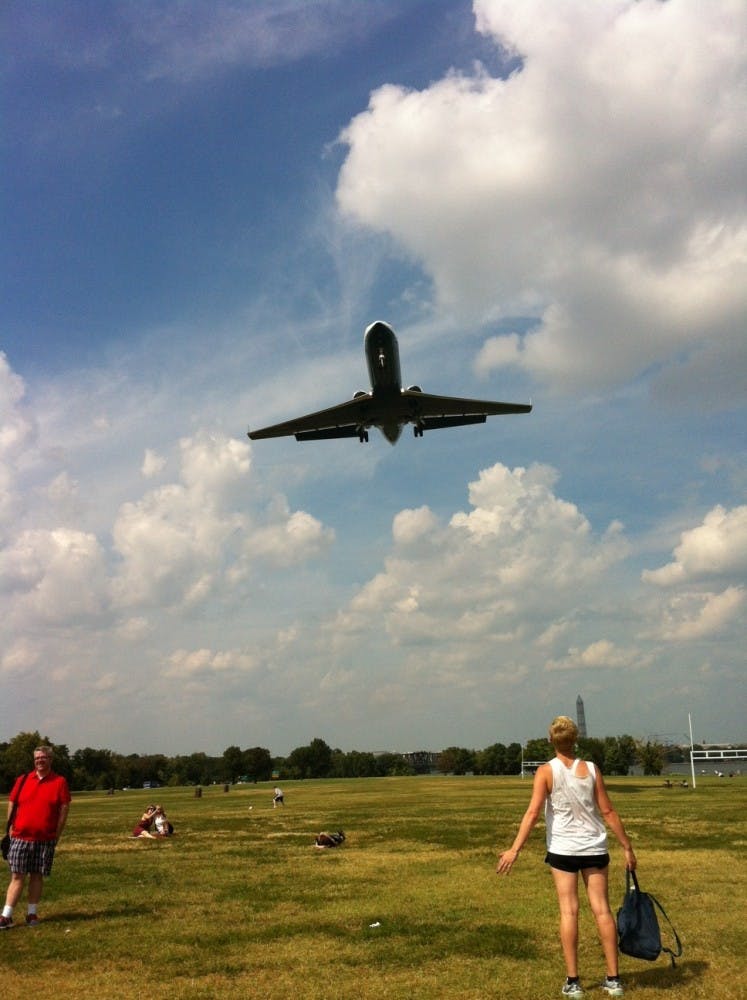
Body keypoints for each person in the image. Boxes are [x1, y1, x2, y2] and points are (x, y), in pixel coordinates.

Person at [496, 716, 637, 998]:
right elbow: (608, 812)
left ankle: (573, 982)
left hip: (563, 850)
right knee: (602, 910)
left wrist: (515, 849)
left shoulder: (546, 771)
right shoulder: (593, 769)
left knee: (568, 911)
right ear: (576, 740)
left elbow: (533, 812)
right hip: (595, 848)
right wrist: (626, 847)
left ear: (551, 740)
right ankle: (613, 979)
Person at [1, 745, 71, 929]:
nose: (40, 761)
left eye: (44, 757)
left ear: (51, 759)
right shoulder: (23, 779)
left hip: (45, 839)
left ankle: (32, 913)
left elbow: (64, 809)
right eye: (37, 758)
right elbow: (12, 803)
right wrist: (9, 827)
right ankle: (6, 915)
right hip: (20, 836)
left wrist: (56, 834)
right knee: (17, 875)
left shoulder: (59, 782)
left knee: (37, 876)